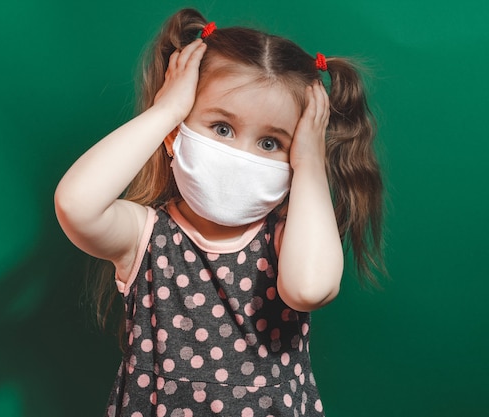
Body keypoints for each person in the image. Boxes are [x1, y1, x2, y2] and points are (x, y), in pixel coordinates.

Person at [55, 7, 383, 417]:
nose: (240, 157)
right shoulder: (145, 235)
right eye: (222, 128)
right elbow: (76, 205)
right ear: (176, 135)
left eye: (270, 143)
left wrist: (312, 166)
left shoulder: (289, 239)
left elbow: (310, 288)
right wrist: (165, 111)